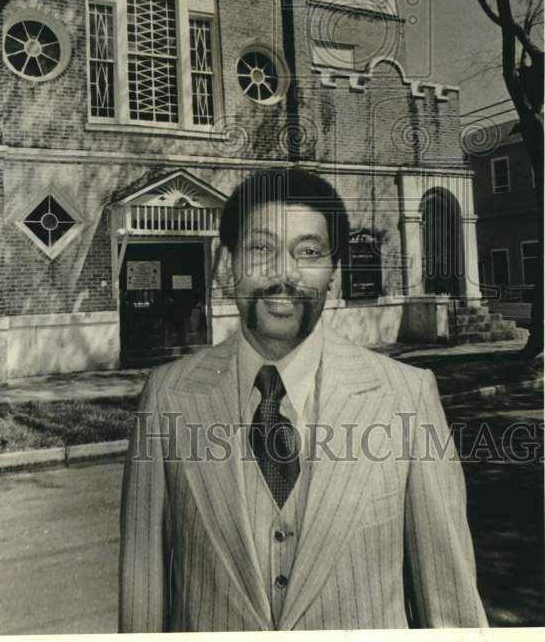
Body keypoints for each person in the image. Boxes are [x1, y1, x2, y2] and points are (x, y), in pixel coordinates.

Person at [119, 167, 488, 631]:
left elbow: (451, 607)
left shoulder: (407, 398)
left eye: (308, 252)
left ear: (333, 271)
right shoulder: (167, 397)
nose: (284, 274)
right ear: (226, 263)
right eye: (260, 248)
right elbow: (142, 596)